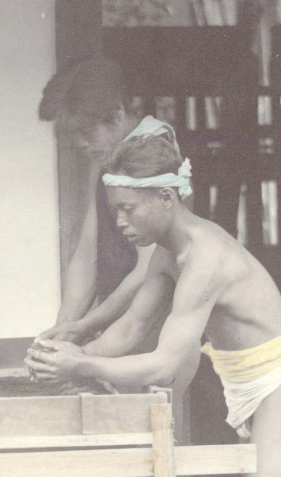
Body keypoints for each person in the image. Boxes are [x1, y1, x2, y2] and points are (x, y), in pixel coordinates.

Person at [27, 132, 281, 477]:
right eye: (115, 209)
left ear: (166, 198)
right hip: (243, 386)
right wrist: (59, 358)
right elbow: (131, 328)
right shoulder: (168, 254)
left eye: (128, 208)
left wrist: (79, 365)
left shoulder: (206, 258)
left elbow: (166, 365)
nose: (119, 221)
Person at [35, 57, 178, 347]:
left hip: (155, 323)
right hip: (114, 320)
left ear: (117, 114)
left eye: (87, 133)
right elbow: (87, 254)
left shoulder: (155, 149)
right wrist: (61, 332)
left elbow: (148, 270)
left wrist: (85, 327)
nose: (81, 144)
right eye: (74, 136)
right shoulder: (108, 155)